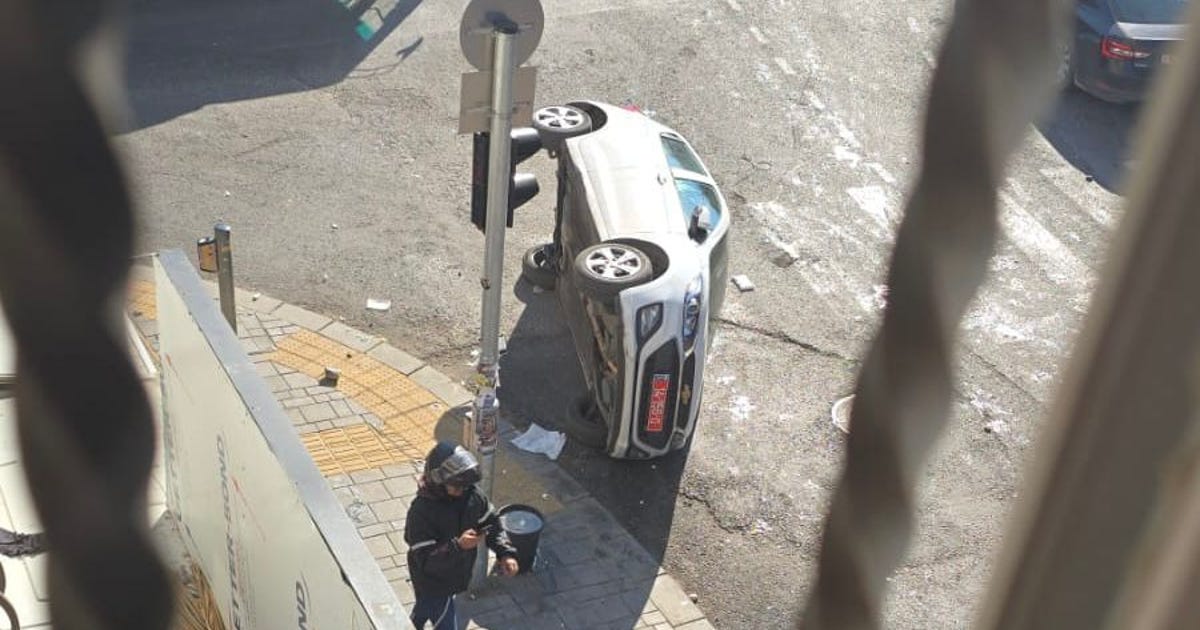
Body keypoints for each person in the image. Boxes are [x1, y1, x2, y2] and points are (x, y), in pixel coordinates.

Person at [405, 441, 520, 629]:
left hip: (455, 576)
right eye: (456, 486)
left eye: (465, 486)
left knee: (423, 608)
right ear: (438, 480)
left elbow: (491, 523)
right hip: (432, 581)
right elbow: (424, 558)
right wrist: (457, 546)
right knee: (445, 620)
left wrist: (505, 552)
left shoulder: (473, 497)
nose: (461, 492)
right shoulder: (421, 511)